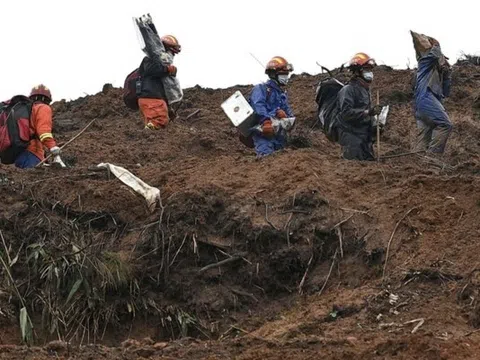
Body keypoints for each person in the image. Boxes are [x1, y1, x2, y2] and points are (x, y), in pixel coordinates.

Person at [335, 53, 381, 161]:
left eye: (370, 70)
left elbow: (366, 112)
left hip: (364, 135)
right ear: (357, 71)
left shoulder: (365, 90)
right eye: (366, 69)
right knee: (354, 167)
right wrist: (367, 112)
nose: (370, 73)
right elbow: (346, 113)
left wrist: (375, 123)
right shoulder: (348, 90)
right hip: (351, 136)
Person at [249, 56, 294, 157]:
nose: (286, 77)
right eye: (283, 74)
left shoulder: (282, 95)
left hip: (280, 136)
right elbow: (258, 105)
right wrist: (266, 121)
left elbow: (290, 115)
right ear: (273, 74)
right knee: (266, 161)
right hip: (264, 134)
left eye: (286, 74)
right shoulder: (261, 89)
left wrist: (285, 116)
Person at [413, 40, 452, 154]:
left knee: (424, 136)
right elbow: (434, 55)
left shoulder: (437, 73)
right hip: (425, 99)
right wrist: (436, 45)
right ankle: (432, 158)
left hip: (424, 104)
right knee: (445, 124)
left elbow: (446, 92)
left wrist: (447, 74)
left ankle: (416, 164)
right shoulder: (424, 62)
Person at [137, 35, 181, 130]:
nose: (172, 55)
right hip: (151, 97)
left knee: (156, 126)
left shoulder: (159, 62)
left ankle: (147, 141)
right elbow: (151, 70)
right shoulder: (151, 58)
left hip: (154, 98)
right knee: (158, 122)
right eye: (171, 52)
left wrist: (169, 110)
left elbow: (163, 86)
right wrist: (167, 69)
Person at [15, 85, 62, 169]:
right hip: (31, 152)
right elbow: (43, 131)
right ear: (47, 99)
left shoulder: (27, 110)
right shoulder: (43, 108)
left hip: (16, 153)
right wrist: (53, 147)